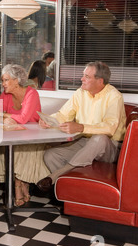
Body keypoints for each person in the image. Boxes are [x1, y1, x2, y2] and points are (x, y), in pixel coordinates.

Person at [35, 61, 127, 194]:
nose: (81, 79)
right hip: (85, 141)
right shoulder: (80, 93)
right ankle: (71, 191)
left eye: (87, 77)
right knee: (51, 155)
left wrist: (80, 127)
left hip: (110, 147)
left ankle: (53, 177)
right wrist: (48, 121)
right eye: (83, 75)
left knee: (99, 138)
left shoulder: (114, 96)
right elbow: (63, 115)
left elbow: (109, 128)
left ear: (100, 81)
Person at [0, 64, 49, 206]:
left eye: (6, 80)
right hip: (14, 133)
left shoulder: (32, 94)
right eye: (2, 80)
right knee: (8, 146)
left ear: (16, 80)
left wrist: (6, 115)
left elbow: (23, 118)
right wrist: (4, 116)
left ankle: (19, 185)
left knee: (21, 147)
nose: (3, 84)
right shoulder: (5, 94)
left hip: (34, 136)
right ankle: (22, 183)